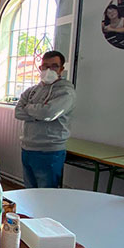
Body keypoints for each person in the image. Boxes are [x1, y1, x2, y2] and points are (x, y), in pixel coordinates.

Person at [14, 50, 76, 188]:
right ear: (40, 67)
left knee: (46, 193)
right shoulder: (32, 90)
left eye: (54, 66)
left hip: (49, 150)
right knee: (29, 191)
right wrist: (39, 112)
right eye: (45, 66)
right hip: (28, 148)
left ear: (61, 69)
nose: (49, 70)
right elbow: (18, 112)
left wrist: (29, 108)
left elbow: (49, 113)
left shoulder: (66, 92)